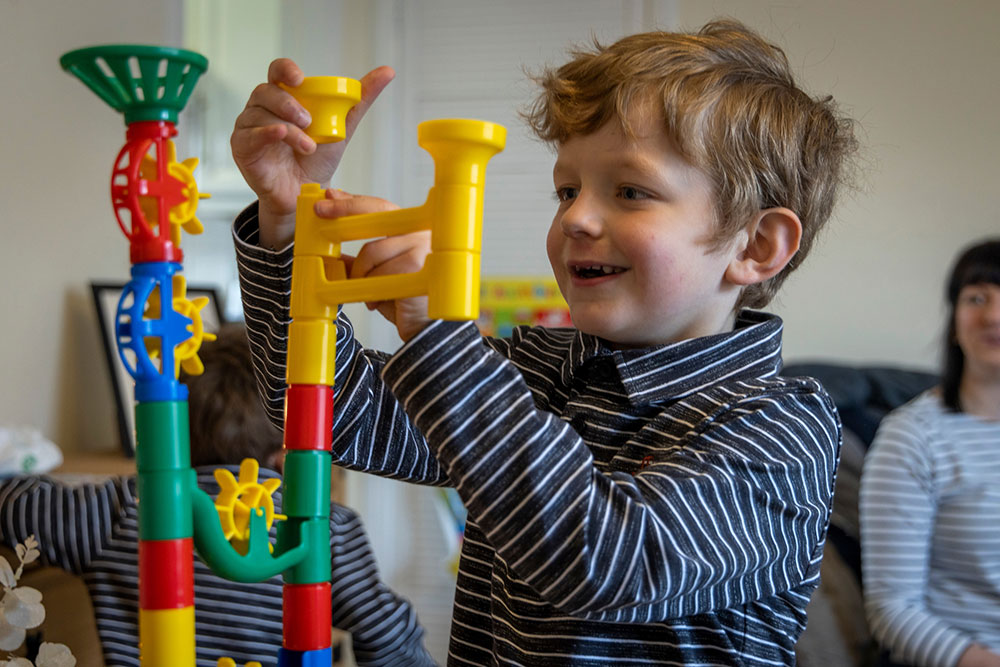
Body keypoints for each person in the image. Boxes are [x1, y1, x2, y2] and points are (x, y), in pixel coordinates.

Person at [231, 19, 859, 665]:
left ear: (756, 246)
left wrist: (439, 341)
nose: (577, 219)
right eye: (567, 189)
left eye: (630, 191)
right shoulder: (536, 369)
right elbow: (330, 411)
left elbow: (604, 564)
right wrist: (287, 225)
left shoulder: (780, 425)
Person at [0, 323, 435, 667]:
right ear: (287, 454)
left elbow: (17, 505)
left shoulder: (123, 507)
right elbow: (388, 635)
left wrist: (25, 464)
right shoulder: (328, 527)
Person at [860, 239, 1000, 667]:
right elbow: (892, 610)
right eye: (977, 298)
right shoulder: (912, 435)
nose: (993, 316)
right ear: (955, 321)